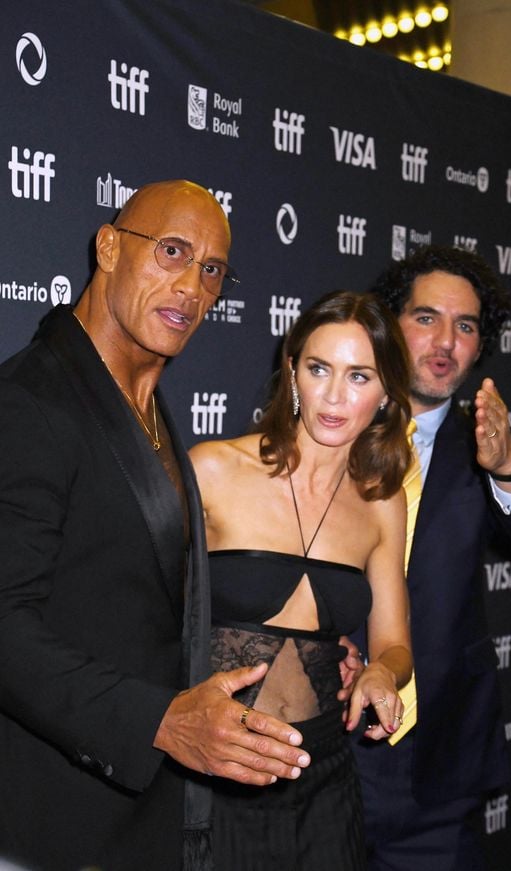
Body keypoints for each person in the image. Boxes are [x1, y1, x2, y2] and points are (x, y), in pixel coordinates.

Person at [0, 180, 316, 871]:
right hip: (51, 817)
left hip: (142, 814)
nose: (191, 286)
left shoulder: (146, 406)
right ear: (109, 246)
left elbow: (141, 592)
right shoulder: (28, 403)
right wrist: (159, 720)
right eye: (171, 251)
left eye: (211, 270)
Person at [189, 290, 414, 871]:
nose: (335, 396)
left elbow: (394, 643)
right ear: (292, 373)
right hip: (218, 765)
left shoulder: (381, 503)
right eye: (319, 369)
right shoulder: (212, 470)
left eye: (359, 376)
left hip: (325, 777)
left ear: (387, 392)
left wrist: (382, 674)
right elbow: (136, 613)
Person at [352, 245, 511, 870]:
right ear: (390, 325)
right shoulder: (335, 426)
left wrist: (508, 466)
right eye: (426, 318)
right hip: (330, 752)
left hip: (440, 760)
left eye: (465, 326)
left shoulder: (486, 444)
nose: (445, 341)